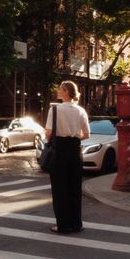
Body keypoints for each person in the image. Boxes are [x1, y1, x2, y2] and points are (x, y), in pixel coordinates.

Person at [45, 80, 90, 234]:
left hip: (60, 151)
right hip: (75, 150)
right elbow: (87, 134)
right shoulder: (81, 111)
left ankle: (63, 225)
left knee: (59, 189)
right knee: (75, 189)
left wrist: (57, 138)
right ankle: (76, 224)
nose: (58, 90)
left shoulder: (55, 110)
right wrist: (74, 137)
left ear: (66, 91)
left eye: (60, 88)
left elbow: (49, 133)